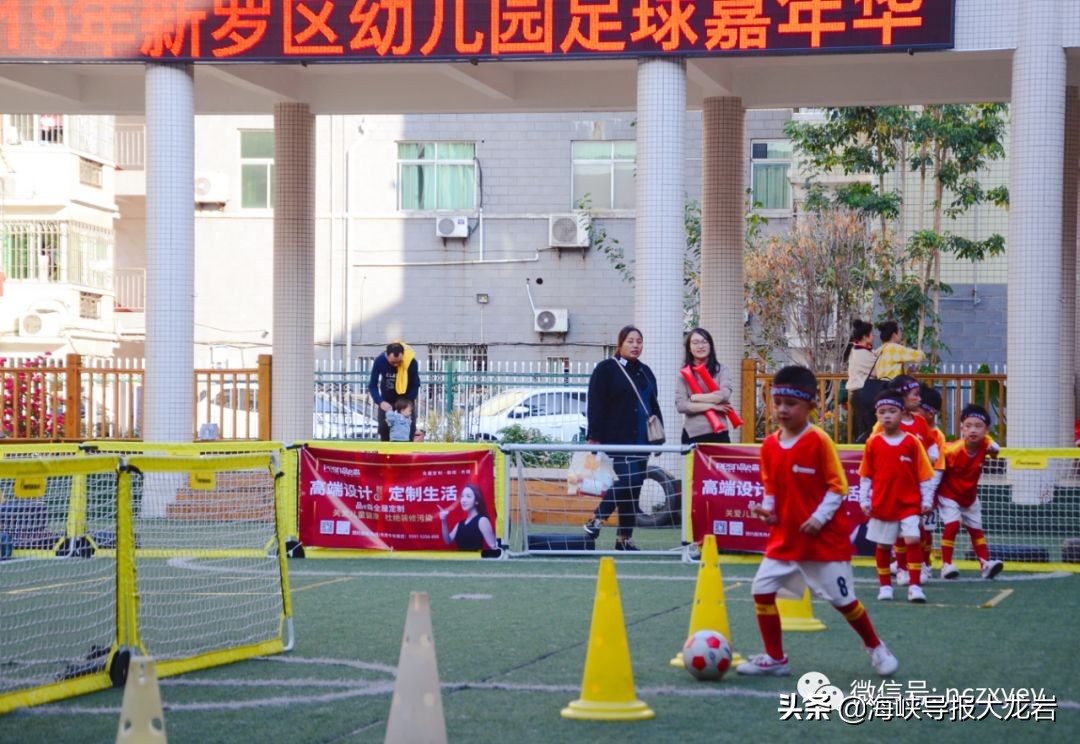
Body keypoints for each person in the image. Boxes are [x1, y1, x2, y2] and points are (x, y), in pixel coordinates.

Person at [736, 365, 897, 678]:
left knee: (843, 600)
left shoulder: (820, 441)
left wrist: (818, 517)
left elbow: (838, 487)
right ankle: (775, 658)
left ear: (810, 405)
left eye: (790, 403)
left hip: (823, 542)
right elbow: (771, 485)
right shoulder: (768, 446)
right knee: (761, 590)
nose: (782, 409)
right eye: (777, 401)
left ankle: (876, 647)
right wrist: (768, 511)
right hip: (785, 539)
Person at [582, 325, 662, 552]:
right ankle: (596, 519)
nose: (635, 345)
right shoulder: (606, 369)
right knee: (629, 481)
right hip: (617, 437)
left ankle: (624, 539)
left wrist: (659, 438)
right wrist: (594, 435)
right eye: (630, 341)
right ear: (620, 344)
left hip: (643, 440)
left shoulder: (646, 372)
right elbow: (595, 402)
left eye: (639, 341)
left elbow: (652, 405)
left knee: (633, 489)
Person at [859, 389, 936, 604]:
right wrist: (864, 500)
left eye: (891, 411)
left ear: (901, 413)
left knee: (913, 539)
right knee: (883, 546)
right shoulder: (873, 443)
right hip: (882, 504)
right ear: (876, 416)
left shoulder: (912, 442)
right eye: (881, 412)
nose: (886, 416)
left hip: (909, 504)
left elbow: (925, 474)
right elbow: (866, 475)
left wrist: (927, 500)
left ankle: (914, 586)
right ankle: (885, 586)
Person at [937, 404, 1004, 580]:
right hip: (949, 494)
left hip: (970, 496)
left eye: (978, 426)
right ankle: (946, 565)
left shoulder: (986, 444)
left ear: (986, 430)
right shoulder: (951, 451)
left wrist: (994, 447)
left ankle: (985, 564)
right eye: (968, 425)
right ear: (961, 428)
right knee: (952, 525)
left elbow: (993, 448)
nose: (973, 430)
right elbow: (936, 470)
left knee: (976, 530)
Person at [675, 327, 735, 444]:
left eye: (704, 342)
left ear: (710, 346)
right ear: (689, 348)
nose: (700, 346)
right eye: (695, 342)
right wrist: (712, 406)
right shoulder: (683, 374)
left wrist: (694, 398)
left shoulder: (721, 369)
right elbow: (681, 406)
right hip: (693, 432)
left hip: (719, 433)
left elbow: (724, 395)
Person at [368, 341, 420, 442]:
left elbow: (415, 385)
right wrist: (380, 402)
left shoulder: (411, 363)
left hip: (406, 401)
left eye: (399, 362)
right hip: (387, 401)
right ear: (386, 356)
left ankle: (406, 455)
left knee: (409, 430)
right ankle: (386, 455)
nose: (396, 365)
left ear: (403, 356)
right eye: (392, 362)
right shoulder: (380, 361)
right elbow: (372, 385)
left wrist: (408, 403)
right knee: (384, 428)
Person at [845, 319, 877, 442]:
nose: (874, 336)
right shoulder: (862, 354)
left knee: (863, 428)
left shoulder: (857, 350)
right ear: (865, 336)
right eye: (871, 333)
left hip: (858, 395)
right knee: (870, 430)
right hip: (863, 395)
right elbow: (877, 371)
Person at [438, 483, 497, 551]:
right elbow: (447, 541)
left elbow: (494, 546)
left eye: (468, 496)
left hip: (476, 560)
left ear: (477, 501)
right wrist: (443, 520)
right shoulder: (460, 524)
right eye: (462, 496)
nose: (463, 500)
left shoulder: (482, 520)